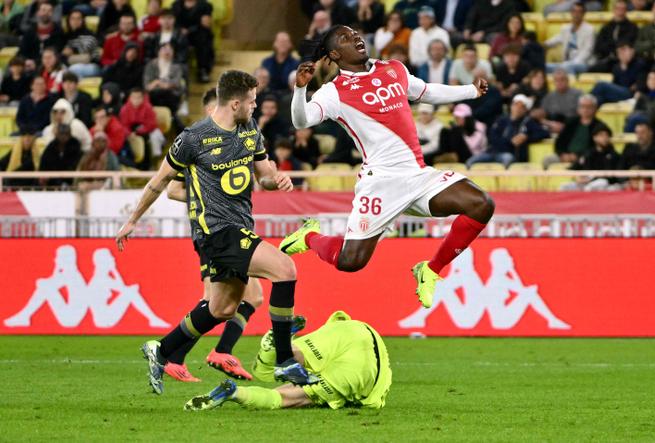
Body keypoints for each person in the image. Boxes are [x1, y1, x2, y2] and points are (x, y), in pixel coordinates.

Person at [115, 70, 317, 395]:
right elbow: (159, 183)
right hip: (216, 232)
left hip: (240, 226)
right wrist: (133, 220)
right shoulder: (193, 138)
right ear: (235, 103)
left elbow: (263, 173)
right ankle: (284, 360)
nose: (256, 107)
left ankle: (163, 350)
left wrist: (275, 179)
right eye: (251, 102)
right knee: (285, 268)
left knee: (221, 308)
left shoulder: (250, 128)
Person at [284, 25, 494, 308]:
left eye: (357, 33)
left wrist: (470, 90)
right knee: (350, 262)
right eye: (346, 38)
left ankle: (430, 270)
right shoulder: (334, 92)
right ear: (334, 53)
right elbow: (301, 121)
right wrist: (300, 89)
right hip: (381, 182)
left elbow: (426, 91)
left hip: (418, 175)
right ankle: (309, 236)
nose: (357, 37)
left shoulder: (393, 68)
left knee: (481, 204)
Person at [163, 89, 268, 382]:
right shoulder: (198, 145)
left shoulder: (234, 141)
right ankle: (176, 356)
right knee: (213, 301)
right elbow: (171, 188)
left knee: (252, 297)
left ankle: (212, 352)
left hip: (235, 229)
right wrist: (212, 195)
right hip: (213, 231)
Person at [185, 311, 391, 411]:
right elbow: (374, 400)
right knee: (284, 397)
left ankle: (278, 347)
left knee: (287, 369)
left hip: (346, 329)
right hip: (363, 367)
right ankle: (235, 392)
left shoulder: (338, 329)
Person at [470, 94, 549, 166]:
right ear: (511, 106)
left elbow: (544, 133)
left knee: (507, 159)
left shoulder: (528, 122)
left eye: (521, 106)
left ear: (525, 110)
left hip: (509, 154)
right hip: (493, 152)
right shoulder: (501, 120)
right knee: (471, 162)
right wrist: (510, 142)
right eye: (516, 105)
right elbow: (493, 138)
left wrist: (527, 137)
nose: (517, 108)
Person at [550, 94, 610, 165]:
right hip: (565, 155)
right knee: (548, 160)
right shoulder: (571, 123)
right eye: (582, 106)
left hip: (585, 157)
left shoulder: (600, 126)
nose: (585, 109)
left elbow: (596, 148)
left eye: (589, 107)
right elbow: (559, 142)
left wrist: (577, 155)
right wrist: (562, 154)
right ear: (578, 108)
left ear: (595, 108)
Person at [562, 126, 622, 191]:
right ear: (594, 137)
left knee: (595, 185)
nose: (605, 138)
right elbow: (574, 167)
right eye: (601, 135)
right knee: (564, 187)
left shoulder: (613, 155)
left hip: (604, 183)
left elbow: (611, 176)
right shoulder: (587, 153)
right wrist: (578, 177)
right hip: (585, 182)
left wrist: (590, 179)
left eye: (607, 136)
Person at [545, 2, 595, 75]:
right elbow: (555, 40)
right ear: (571, 13)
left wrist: (572, 63)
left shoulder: (590, 29)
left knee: (567, 67)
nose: (576, 14)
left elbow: (587, 51)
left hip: (583, 63)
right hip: (565, 63)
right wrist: (542, 45)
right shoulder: (565, 28)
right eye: (574, 11)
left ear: (584, 14)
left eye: (579, 12)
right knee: (546, 66)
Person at [590, 41, 646, 106]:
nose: (622, 54)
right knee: (599, 98)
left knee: (601, 85)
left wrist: (625, 66)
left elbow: (640, 86)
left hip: (630, 94)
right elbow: (615, 84)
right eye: (619, 52)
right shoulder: (616, 67)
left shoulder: (639, 64)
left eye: (624, 50)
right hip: (619, 92)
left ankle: (587, 100)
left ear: (632, 51)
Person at [171, 0, 214, 82]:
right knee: (176, 38)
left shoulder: (205, 5)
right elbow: (174, 22)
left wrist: (189, 30)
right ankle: (178, 70)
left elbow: (205, 23)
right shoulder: (176, 5)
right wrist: (181, 30)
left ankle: (203, 70)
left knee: (203, 38)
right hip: (181, 32)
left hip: (198, 32)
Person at [590, 0, 638, 72]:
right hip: (607, 60)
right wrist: (614, 48)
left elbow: (630, 44)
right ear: (614, 10)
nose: (620, 12)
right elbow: (598, 47)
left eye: (623, 9)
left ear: (626, 11)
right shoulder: (606, 28)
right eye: (618, 9)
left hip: (625, 61)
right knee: (591, 70)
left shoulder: (632, 28)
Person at [119, 88, 165, 160]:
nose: (136, 100)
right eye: (134, 97)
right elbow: (123, 125)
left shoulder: (148, 107)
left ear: (143, 98)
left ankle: (156, 158)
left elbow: (152, 124)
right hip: (131, 132)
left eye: (138, 97)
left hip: (147, 131)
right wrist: (129, 133)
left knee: (156, 136)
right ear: (129, 98)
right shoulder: (124, 109)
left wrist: (140, 131)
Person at [143, 42, 185, 117]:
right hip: (154, 94)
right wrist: (160, 84)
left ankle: (172, 118)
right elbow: (147, 85)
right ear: (158, 51)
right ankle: (174, 119)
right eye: (164, 49)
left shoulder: (177, 66)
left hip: (171, 93)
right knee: (155, 95)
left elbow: (176, 83)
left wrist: (157, 82)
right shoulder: (151, 65)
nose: (167, 52)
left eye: (170, 50)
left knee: (167, 94)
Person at [62, 9, 101, 79]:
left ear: (83, 20)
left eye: (78, 19)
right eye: (72, 19)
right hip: (74, 66)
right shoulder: (66, 36)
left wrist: (71, 53)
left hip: (92, 66)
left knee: (72, 69)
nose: (75, 21)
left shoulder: (89, 35)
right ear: (68, 21)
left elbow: (86, 58)